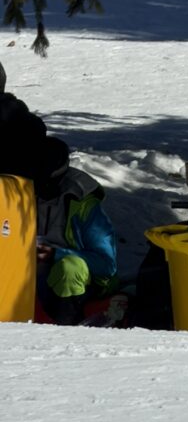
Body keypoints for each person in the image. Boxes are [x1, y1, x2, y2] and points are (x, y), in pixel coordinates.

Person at [33, 136, 119, 325]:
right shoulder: (18, 195)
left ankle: (67, 326)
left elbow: (106, 265)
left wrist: (53, 254)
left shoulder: (84, 204)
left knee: (70, 267)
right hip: (26, 274)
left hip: (72, 283)